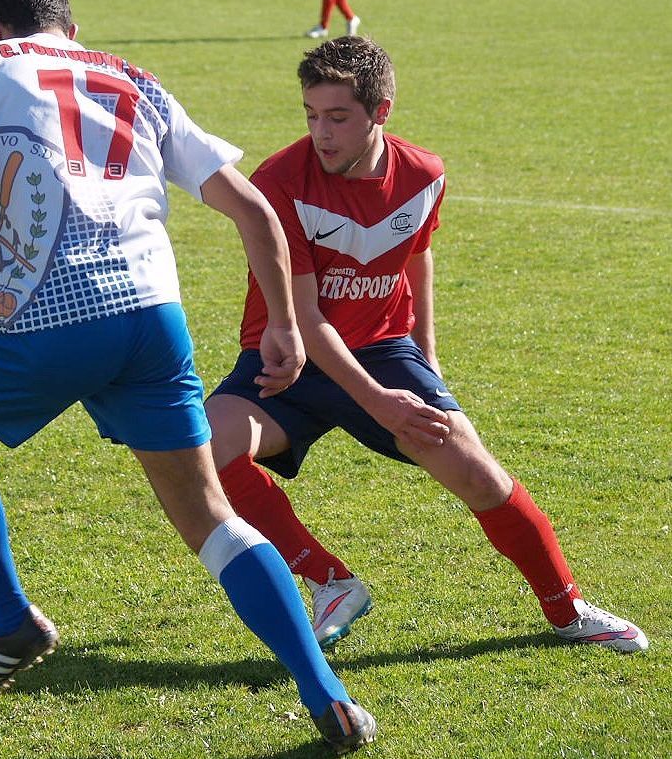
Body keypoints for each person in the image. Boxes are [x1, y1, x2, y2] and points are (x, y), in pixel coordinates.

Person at [0, 0, 377, 754]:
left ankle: (9, 618)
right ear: (67, 26)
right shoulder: (129, 75)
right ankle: (328, 693)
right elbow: (249, 206)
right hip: (151, 319)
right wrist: (282, 323)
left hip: (44, 315)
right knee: (209, 513)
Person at [205, 35, 649, 655]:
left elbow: (417, 255)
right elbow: (304, 318)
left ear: (381, 110)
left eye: (338, 117)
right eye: (311, 115)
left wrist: (426, 356)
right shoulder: (279, 181)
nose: (321, 133)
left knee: (478, 475)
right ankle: (331, 582)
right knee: (206, 450)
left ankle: (567, 608)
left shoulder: (424, 174)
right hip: (290, 360)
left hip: (384, 349)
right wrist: (380, 402)